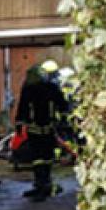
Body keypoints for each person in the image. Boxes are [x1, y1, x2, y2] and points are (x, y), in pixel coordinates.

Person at [15, 60, 70, 201]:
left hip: (37, 130)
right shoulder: (51, 87)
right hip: (46, 129)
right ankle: (42, 185)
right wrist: (64, 122)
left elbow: (22, 109)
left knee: (40, 159)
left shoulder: (29, 89)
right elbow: (63, 106)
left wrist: (19, 125)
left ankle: (43, 186)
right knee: (44, 158)